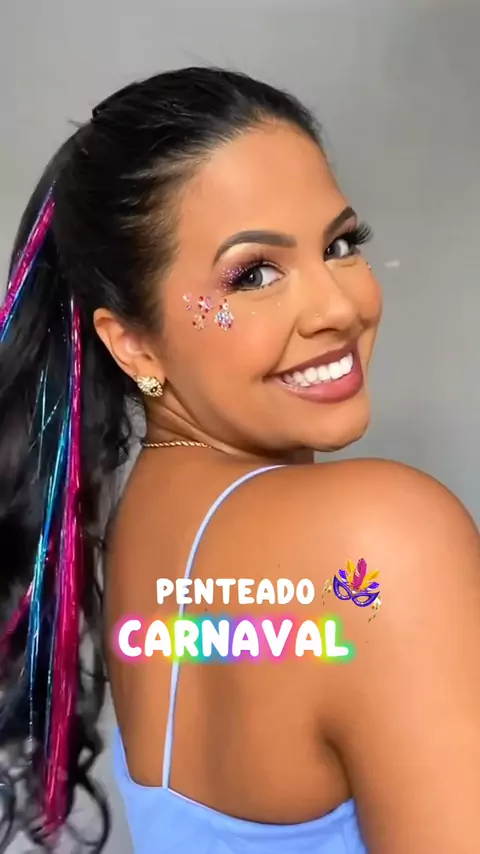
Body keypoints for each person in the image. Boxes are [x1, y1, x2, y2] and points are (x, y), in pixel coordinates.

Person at [0, 66, 479, 854]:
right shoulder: (380, 542)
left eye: (340, 245)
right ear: (133, 344)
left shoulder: (150, 529)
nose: (339, 308)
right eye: (254, 274)